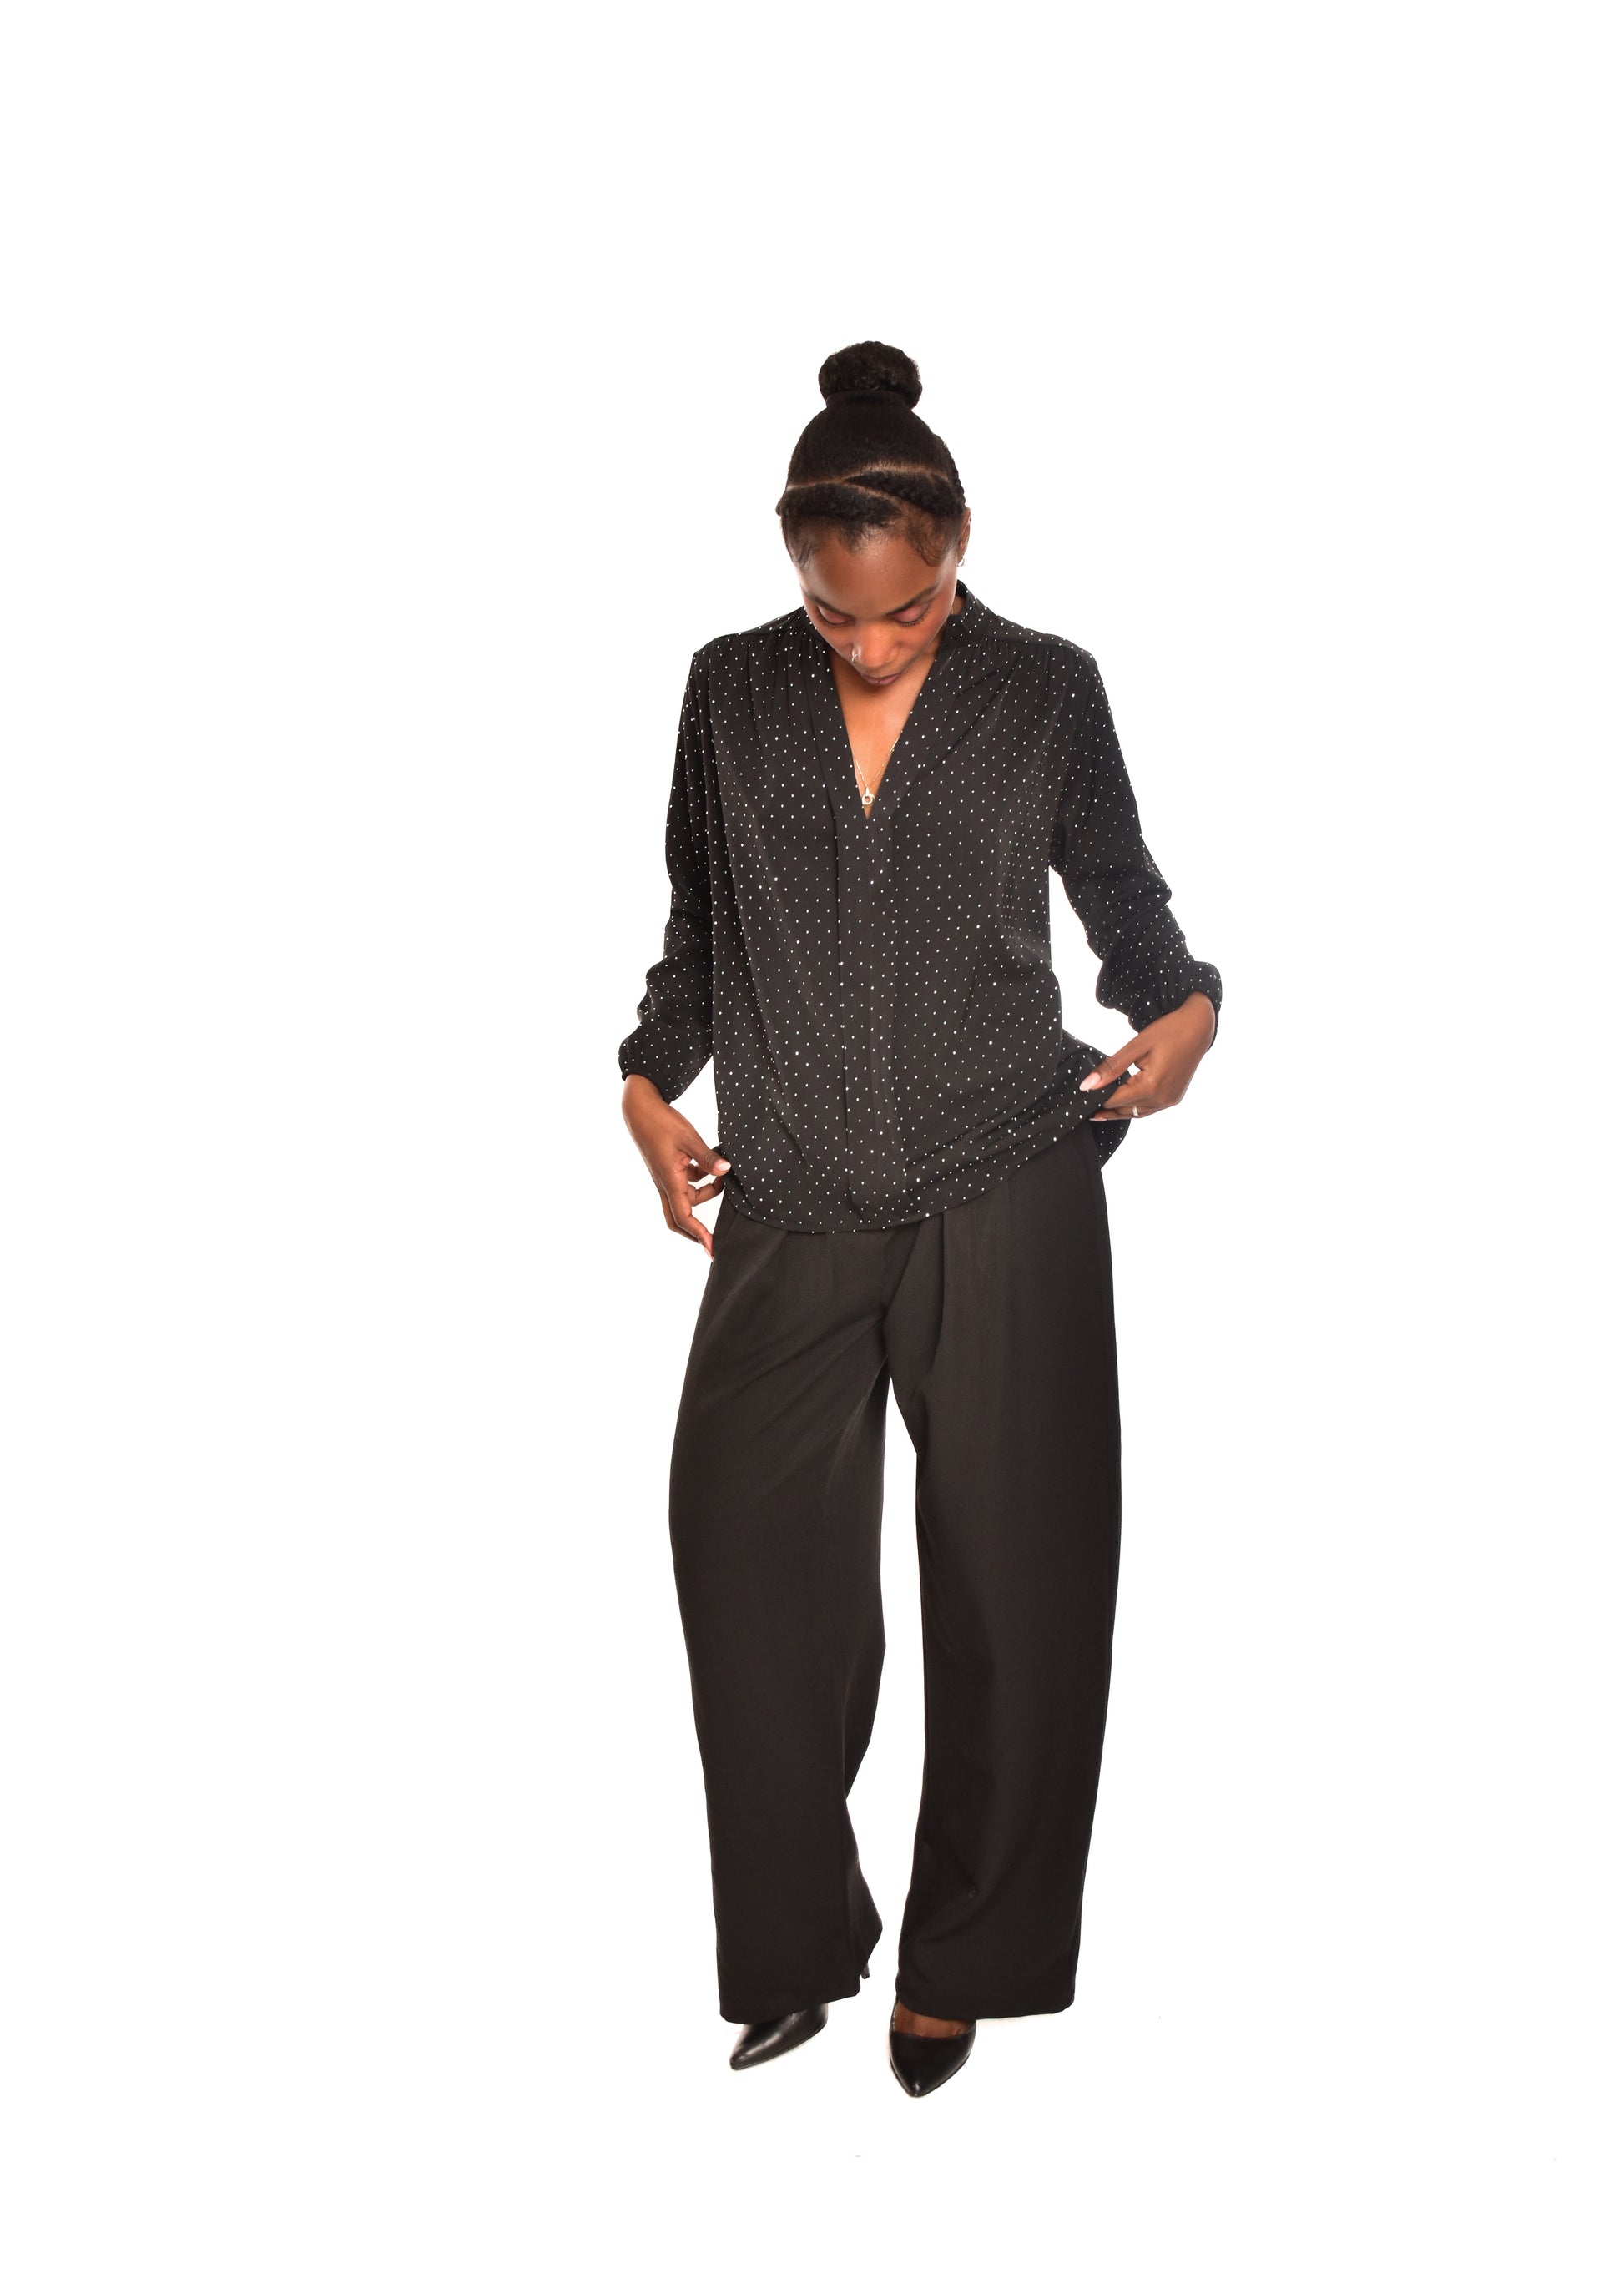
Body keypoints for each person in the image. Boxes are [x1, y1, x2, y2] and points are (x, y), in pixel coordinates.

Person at [618, 343, 1222, 2099]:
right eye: (838, 615)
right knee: (748, 1574)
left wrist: (1184, 1014)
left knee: (1021, 1592)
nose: (872, 644)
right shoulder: (729, 690)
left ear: (957, 552)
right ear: (794, 569)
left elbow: (1123, 901)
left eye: (907, 610)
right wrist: (647, 1085)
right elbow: (701, 931)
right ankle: (794, 1943)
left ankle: (967, 1960)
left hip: (1006, 1172)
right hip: (793, 1192)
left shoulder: (1043, 688)